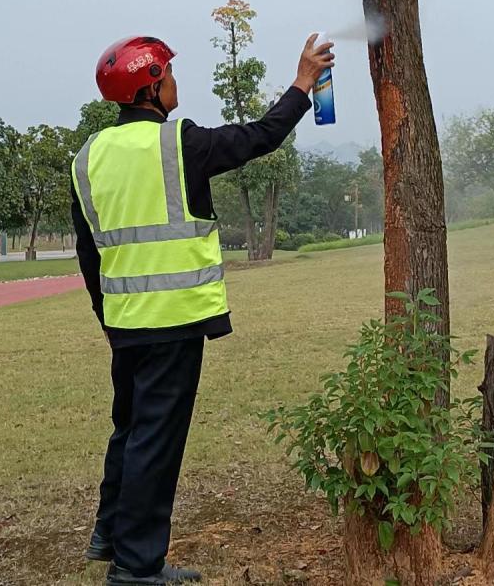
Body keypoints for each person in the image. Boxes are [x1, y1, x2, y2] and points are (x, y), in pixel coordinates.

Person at [70, 33, 334, 585]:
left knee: (129, 428)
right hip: (174, 318)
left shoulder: (87, 157)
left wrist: (110, 317)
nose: (174, 83)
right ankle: (136, 566)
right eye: (167, 75)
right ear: (151, 88)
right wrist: (303, 83)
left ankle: (111, 534)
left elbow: (87, 253)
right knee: (155, 441)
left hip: (125, 321)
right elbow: (260, 137)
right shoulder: (177, 144)